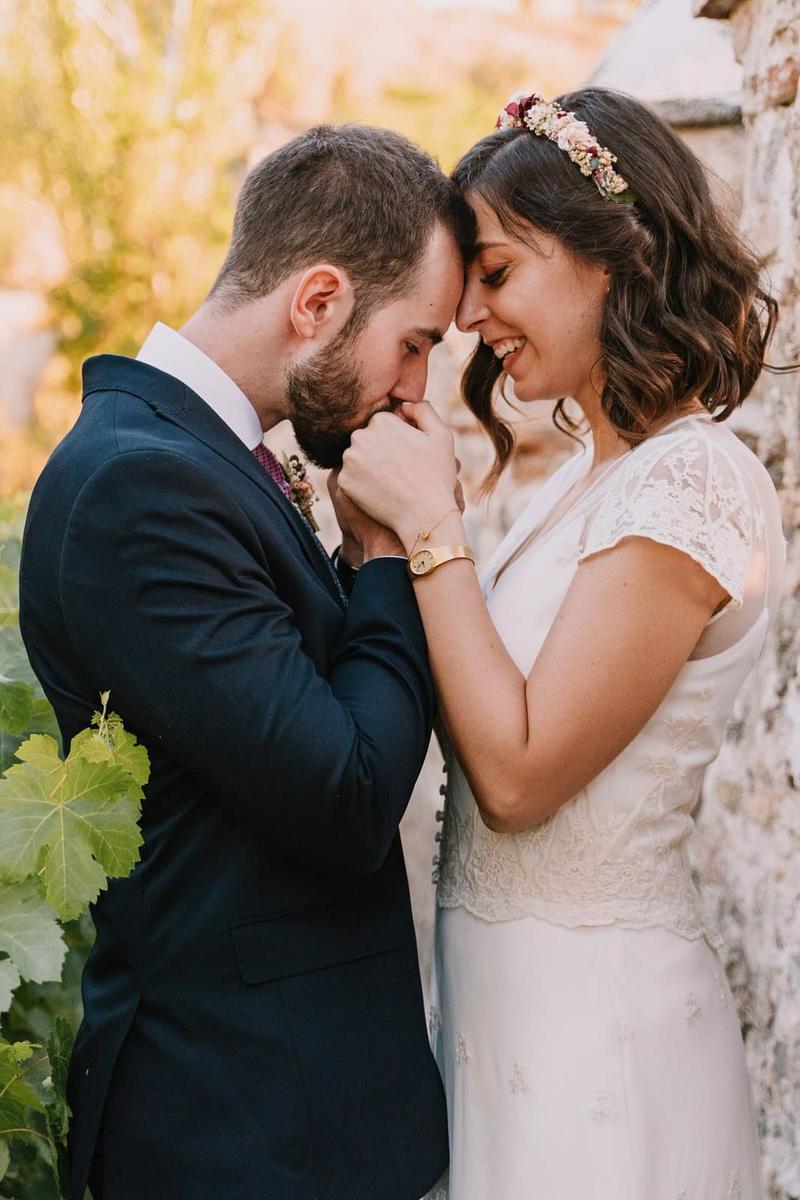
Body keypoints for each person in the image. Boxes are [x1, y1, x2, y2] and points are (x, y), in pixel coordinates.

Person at [338, 87, 787, 1199]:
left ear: (613, 252)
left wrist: (434, 524)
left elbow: (521, 775)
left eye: (496, 273)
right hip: (504, 1023)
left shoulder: (689, 480)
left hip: (603, 1046)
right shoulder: (585, 486)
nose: (470, 320)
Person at [19, 123, 469, 1200]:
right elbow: (347, 788)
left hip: (285, 1119)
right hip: (237, 1132)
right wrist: (386, 550)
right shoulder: (142, 488)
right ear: (315, 303)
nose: (414, 391)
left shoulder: (203, 461)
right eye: (412, 342)